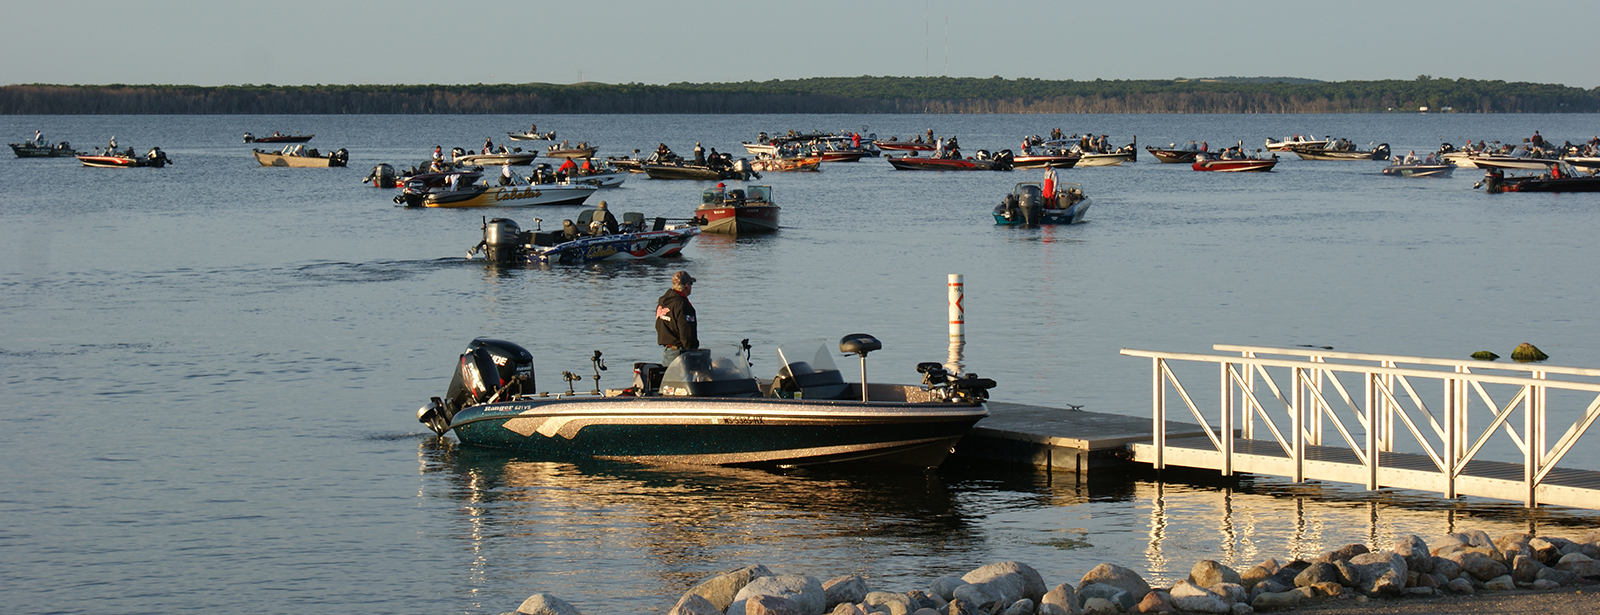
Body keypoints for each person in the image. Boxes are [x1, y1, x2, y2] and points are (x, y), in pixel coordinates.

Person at [655, 271, 698, 365]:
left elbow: (658, 325)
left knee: (669, 379)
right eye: (691, 284)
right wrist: (694, 353)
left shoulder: (663, 301)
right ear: (686, 286)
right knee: (684, 380)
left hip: (667, 351)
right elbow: (687, 334)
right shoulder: (683, 305)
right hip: (679, 354)